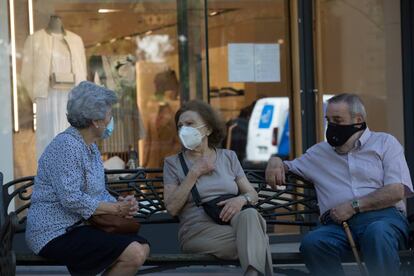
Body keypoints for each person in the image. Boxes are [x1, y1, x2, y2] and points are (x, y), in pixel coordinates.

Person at [265, 93, 413, 276]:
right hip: (338, 226)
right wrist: (274, 161)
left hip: (383, 219)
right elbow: (287, 166)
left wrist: (353, 206)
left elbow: (396, 191)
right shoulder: (319, 153)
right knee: (314, 242)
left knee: (377, 233)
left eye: (338, 120)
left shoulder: (385, 143)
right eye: (328, 120)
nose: (331, 126)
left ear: (358, 120)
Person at [26, 81, 150, 276]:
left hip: (80, 228)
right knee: (134, 252)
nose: (112, 119)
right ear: (96, 120)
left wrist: (121, 203)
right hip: (54, 233)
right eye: (109, 114)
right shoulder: (67, 145)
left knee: (141, 247)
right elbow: (71, 198)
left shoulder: (89, 146)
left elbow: (97, 193)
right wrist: (114, 209)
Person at [163, 100, 273, 276]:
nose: (184, 129)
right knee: (258, 240)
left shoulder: (228, 157)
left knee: (251, 214)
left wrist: (240, 200)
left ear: (208, 129)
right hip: (197, 231)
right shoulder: (173, 163)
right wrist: (194, 173)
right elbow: (172, 208)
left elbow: (252, 193)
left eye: (190, 124)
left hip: (234, 223)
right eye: (180, 126)